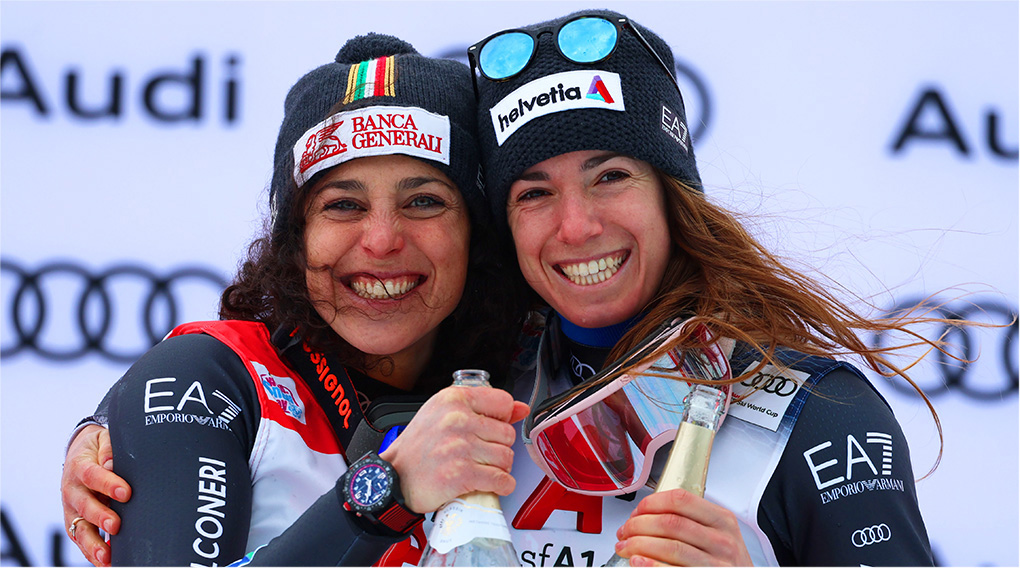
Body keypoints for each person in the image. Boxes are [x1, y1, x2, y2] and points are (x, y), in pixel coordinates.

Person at [65, 9, 956, 567]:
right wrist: (132, 419)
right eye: (534, 192)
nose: (575, 228)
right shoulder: (487, 385)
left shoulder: (817, 415)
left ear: (672, 195)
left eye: (610, 176)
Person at [61, 32, 531, 566]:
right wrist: (381, 492)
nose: (381, 239)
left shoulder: (538, 383)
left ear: (477, 233)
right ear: (296, 238)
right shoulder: (212, 378)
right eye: (343, 205)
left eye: (424, 201)